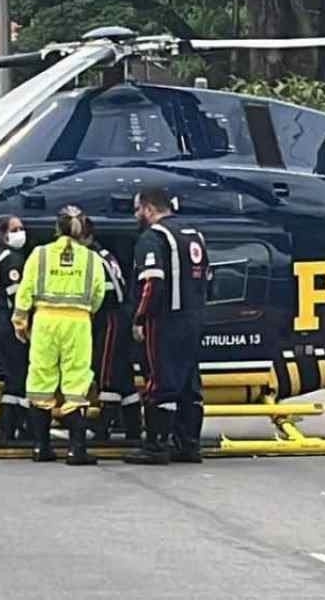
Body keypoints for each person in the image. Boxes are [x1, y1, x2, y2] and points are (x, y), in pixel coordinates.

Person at [12, 206, 105, 465]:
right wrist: (85, 312)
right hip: (78, 322)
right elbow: (98, 294)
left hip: (44, 321)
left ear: (56, 228)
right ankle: (77, 449)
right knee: (76, 382)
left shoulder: (39, 255)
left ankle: (41, 447)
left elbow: (25, 291)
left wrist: (20, 322)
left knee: (41, 379)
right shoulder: (91, 259)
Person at [125, 187, 209, 465]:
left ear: (149, 208)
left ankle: (155, 446)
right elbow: (209, 279)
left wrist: (140, 317)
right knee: (189, 384)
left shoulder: (153, 237)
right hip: (193, 319)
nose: (136, 215)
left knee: (159, 383)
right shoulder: (194, 234)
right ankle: (189, 445)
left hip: (165, 321)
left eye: (138, 210)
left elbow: (152, 282)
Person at [79, 217, 140, 442]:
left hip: (111, 316)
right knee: (123, 375)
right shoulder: (104, 254)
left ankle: (104, 425)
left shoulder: (92, 258)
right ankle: (133, 426)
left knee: (106, 371)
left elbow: (104, 293)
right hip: (121, 315)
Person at [0, 215, 30, 441]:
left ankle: (8, 429)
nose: (20, 232)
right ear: (2, 234)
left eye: (21, 228)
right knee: (20, 374)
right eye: (15, 229)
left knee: (13, 376)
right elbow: (18, 297)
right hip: (10, 320)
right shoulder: (12, 259)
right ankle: (21, 427)